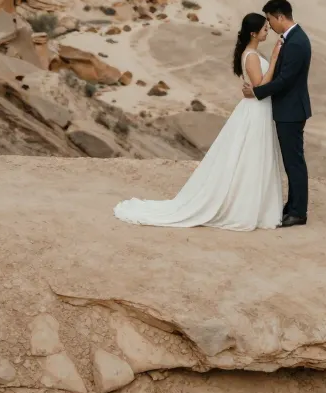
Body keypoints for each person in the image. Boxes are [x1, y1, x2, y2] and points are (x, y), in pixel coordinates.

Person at [113, 12, 285, 231]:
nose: (267, 31)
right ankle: (245, 206)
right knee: (250, 156)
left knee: (253, 156)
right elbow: (260, 86)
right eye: (264, 29)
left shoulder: (250, 53)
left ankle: (255, 205)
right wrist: (274, 60)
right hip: (256, 110)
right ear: (254, 33)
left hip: (257, 109)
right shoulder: (251, 56)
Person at [243, 0, 311, 227]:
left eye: (271, 20)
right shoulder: (292, 39)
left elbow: (285, 81)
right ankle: (291, 207)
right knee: (291, 161)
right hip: (289, 109)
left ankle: (298, 212)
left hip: (291, 111)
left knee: (294, 162)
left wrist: (258, 92)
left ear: (280, 17)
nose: (269, 26)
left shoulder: (297, 43)